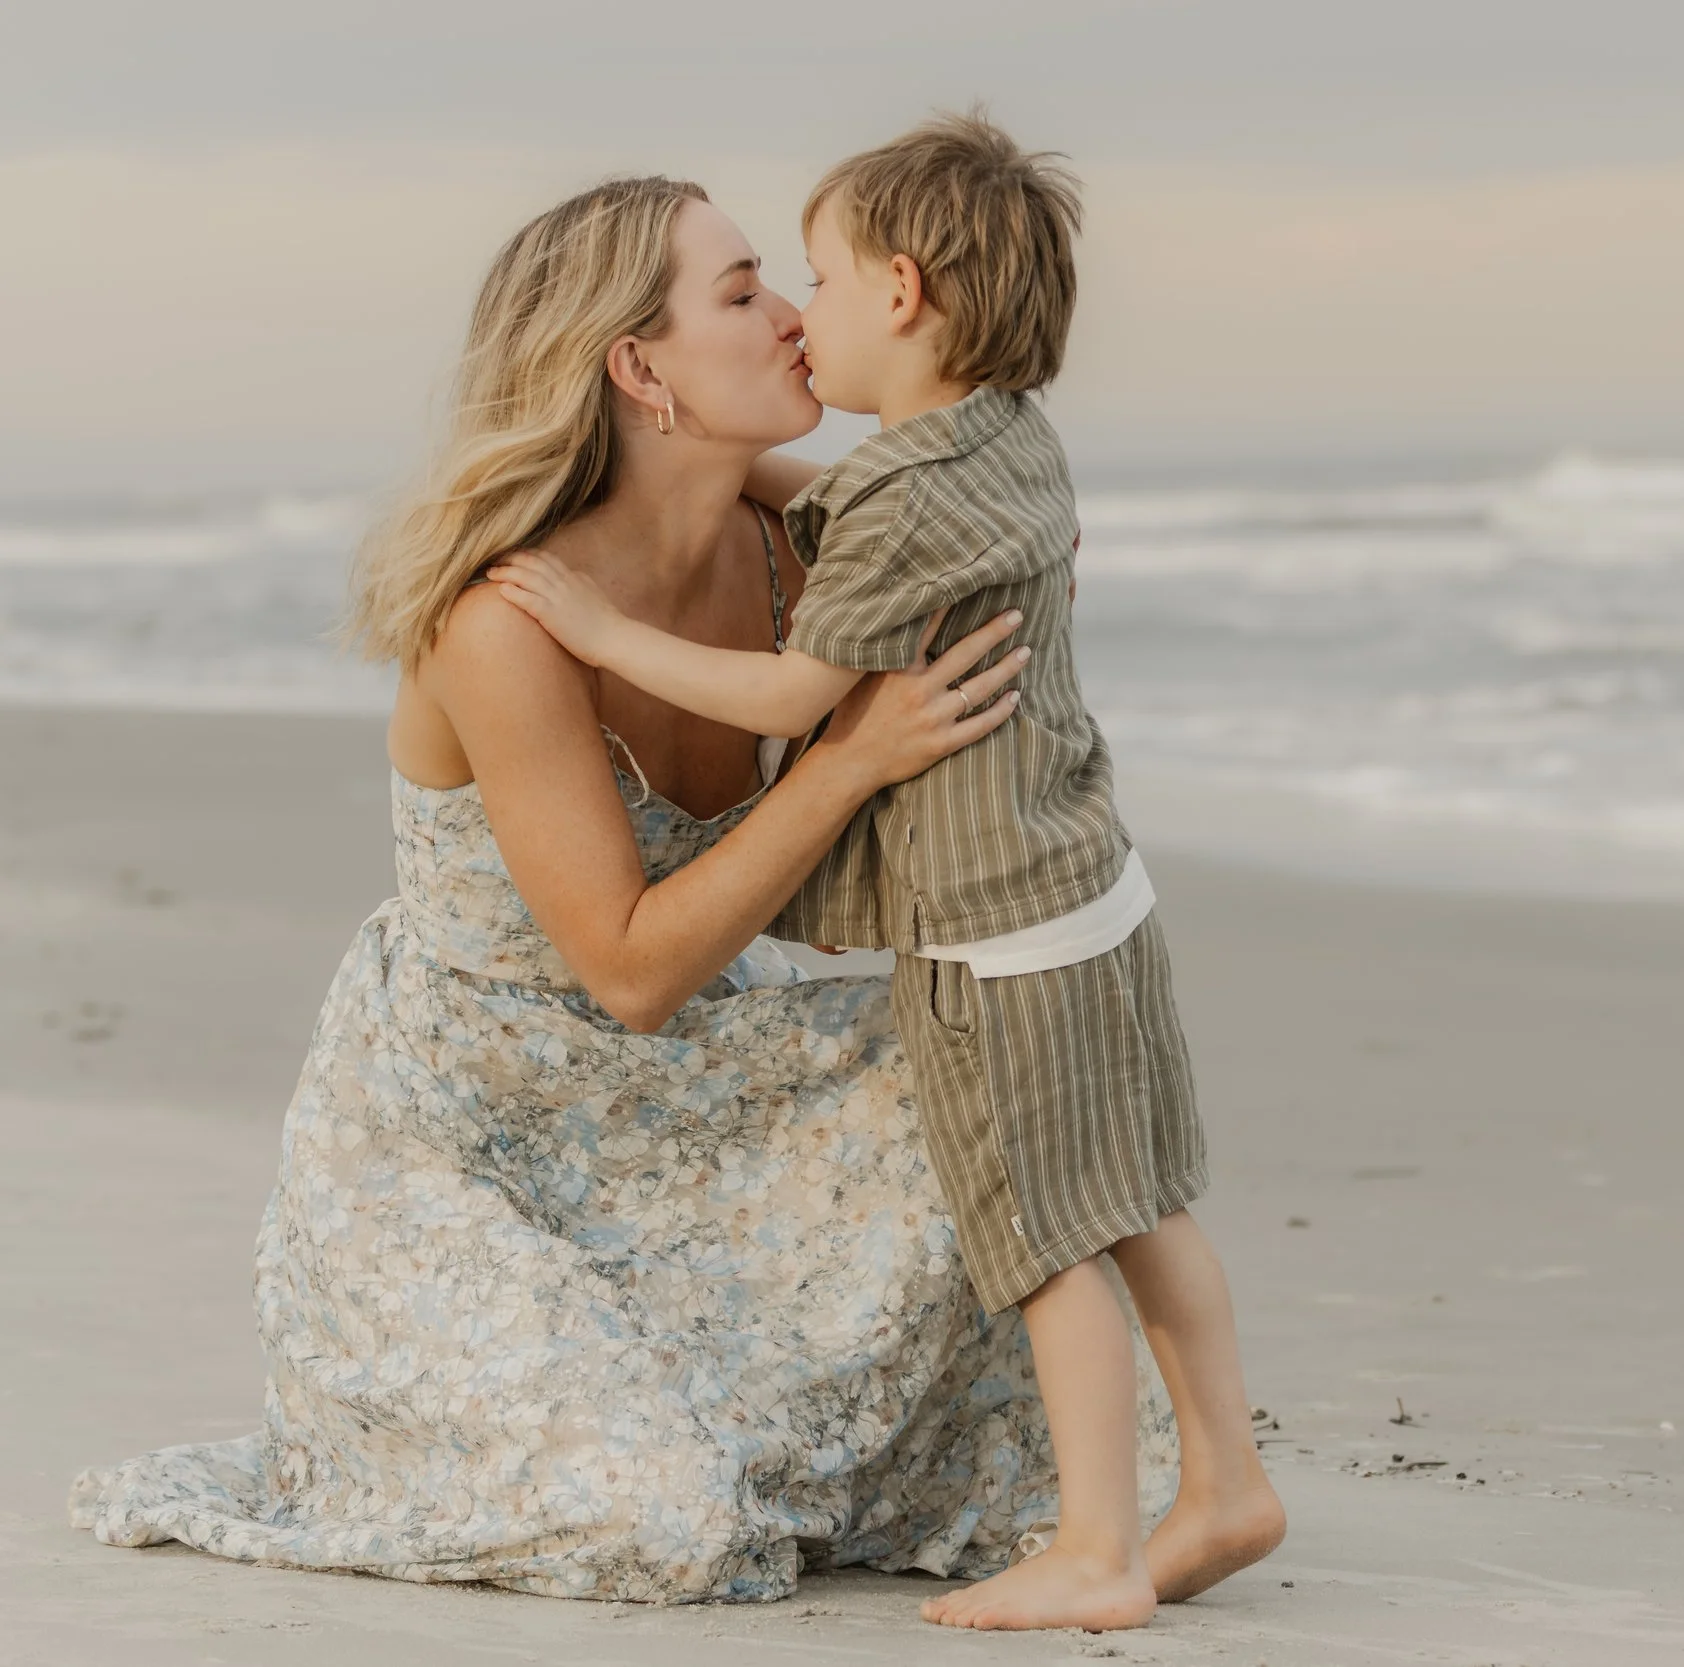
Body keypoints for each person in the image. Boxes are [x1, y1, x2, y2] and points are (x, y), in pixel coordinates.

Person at [69, 175, 1177, 1603]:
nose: (791, 317)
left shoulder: (796, 547)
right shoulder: (505, 619)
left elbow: (941, 521)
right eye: (740, 294)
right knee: (654, 1518)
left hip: (714, 1088)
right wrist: (846, 764)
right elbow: (634, 972)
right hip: (482, 1134)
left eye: (782, 282)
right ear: (637, 369)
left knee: (991, 1096)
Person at [487, 115, 1283, 1631]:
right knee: (1143, 1204)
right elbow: (834, 502)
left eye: (824, 280)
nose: (803, 310)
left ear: (904, 292)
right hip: (1092, 886)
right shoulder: (1004, 444)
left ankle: (1100, 1545)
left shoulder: (896, 500)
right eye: (754, 292)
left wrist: (600, 635)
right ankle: (1228, 1476)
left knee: (1046, 1237)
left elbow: (793, 702)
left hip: (994, 930)